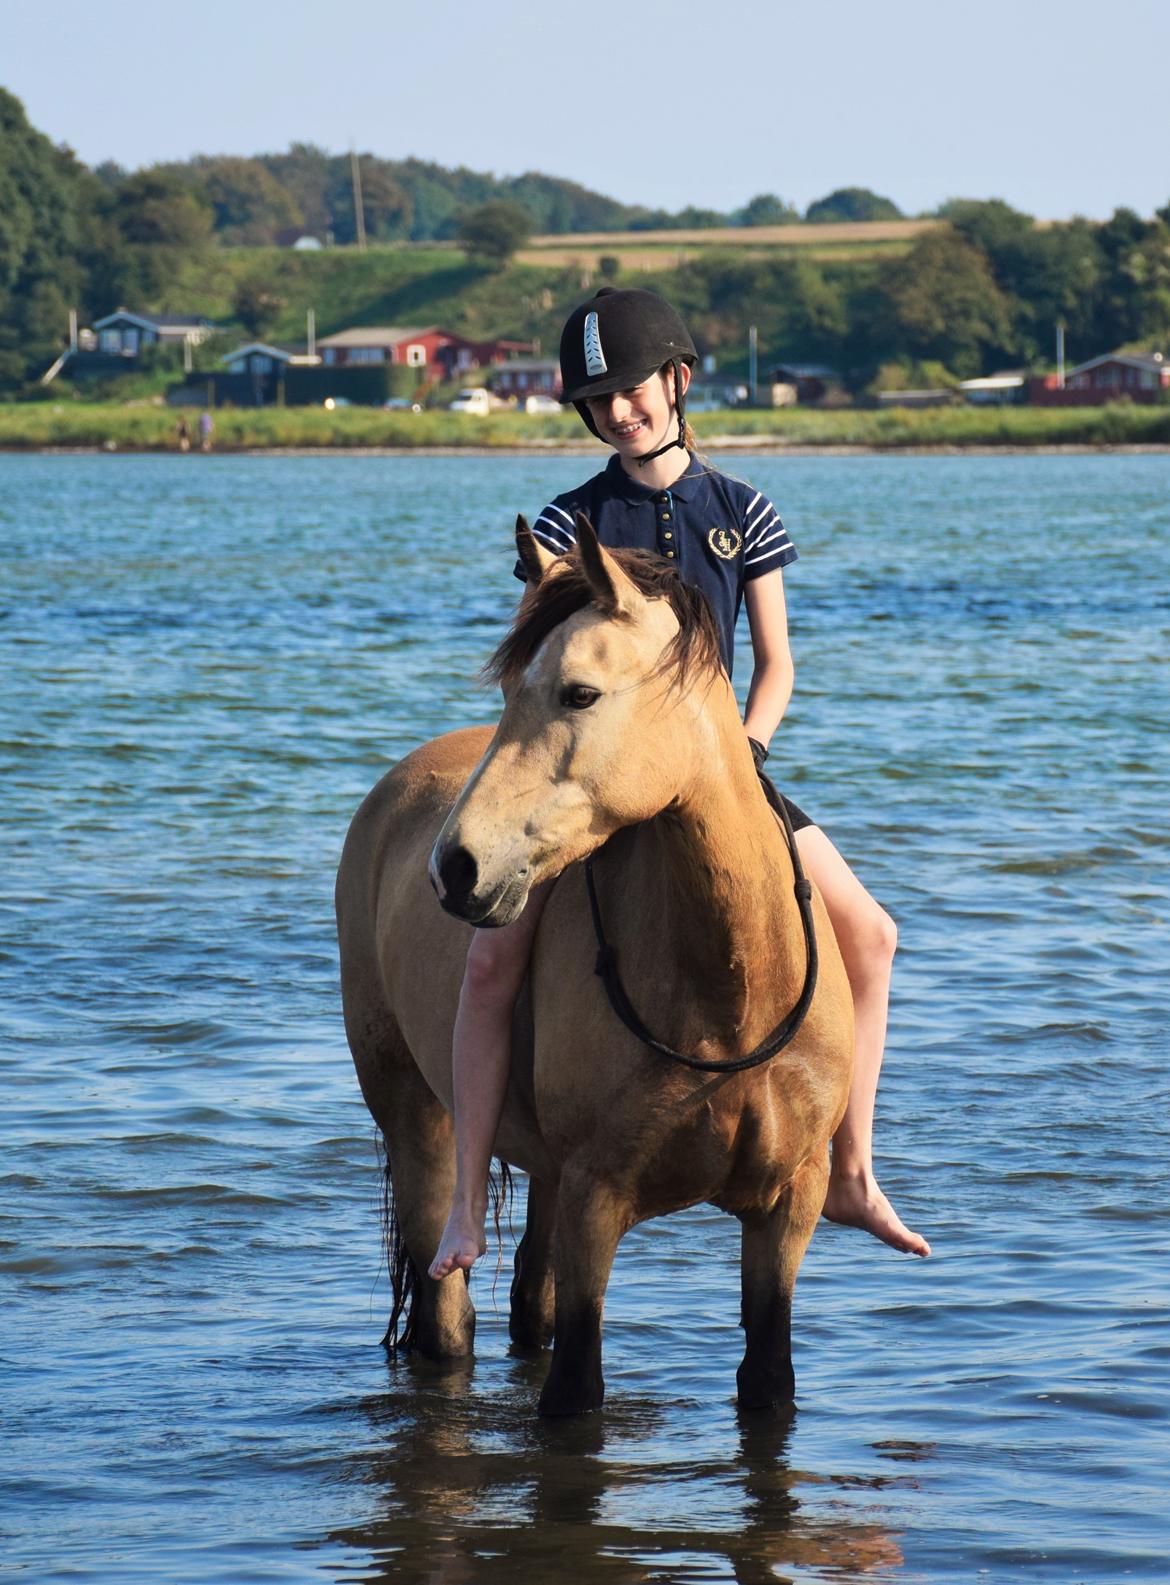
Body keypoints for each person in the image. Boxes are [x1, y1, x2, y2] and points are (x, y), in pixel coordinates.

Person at [429, 287, 931, 1281]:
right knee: (490, 968)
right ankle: (464, 1210)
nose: (620, 410)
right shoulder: (568, 522)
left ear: (677, 382)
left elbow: (778, 664)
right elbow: (543, 674)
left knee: (872, 935)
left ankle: (852, 1169)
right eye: (599, 398)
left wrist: (740, 754)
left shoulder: (743, 511)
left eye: (632, 388)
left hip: (726, 778)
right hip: (594, 785)